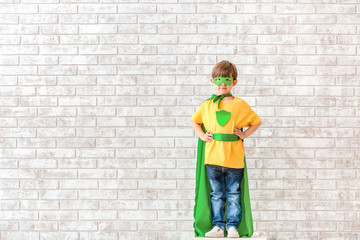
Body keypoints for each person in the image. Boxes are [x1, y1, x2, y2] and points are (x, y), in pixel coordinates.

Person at [191, 60, 262, 238]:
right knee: (216, 194)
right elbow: (195, 121)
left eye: (227, 81)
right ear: (212, 81)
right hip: (212, 159)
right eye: (219, 80)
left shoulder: (240, 105)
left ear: (234, 82)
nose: (222, 84)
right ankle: (218, 226)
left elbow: (256, 121)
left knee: (233, 194)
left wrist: (244, 135)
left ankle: (233, 226)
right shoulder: (207, 105)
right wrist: (201, 135)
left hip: (234, 159)